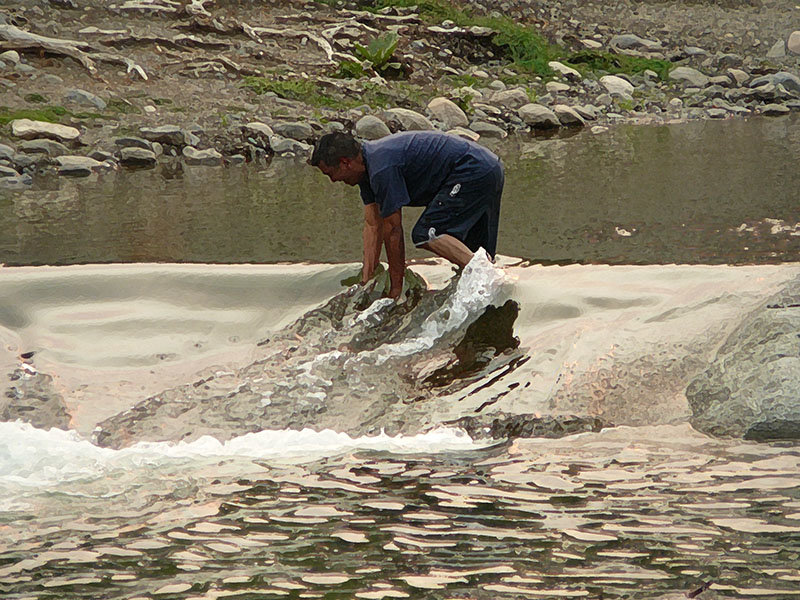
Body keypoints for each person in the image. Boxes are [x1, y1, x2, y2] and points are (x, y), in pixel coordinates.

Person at [310, 130, 504, 299]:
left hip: (473, 169)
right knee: (475, 253)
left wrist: (396, 289)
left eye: (330, 174)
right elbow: (373, 225)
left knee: (427, 233)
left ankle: (487, 274)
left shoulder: (381, 168)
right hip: (488, 167)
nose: (333, 181)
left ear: (345, 163)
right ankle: (493, 286)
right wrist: (366, 281)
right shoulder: (368, 171)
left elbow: (393, 230)